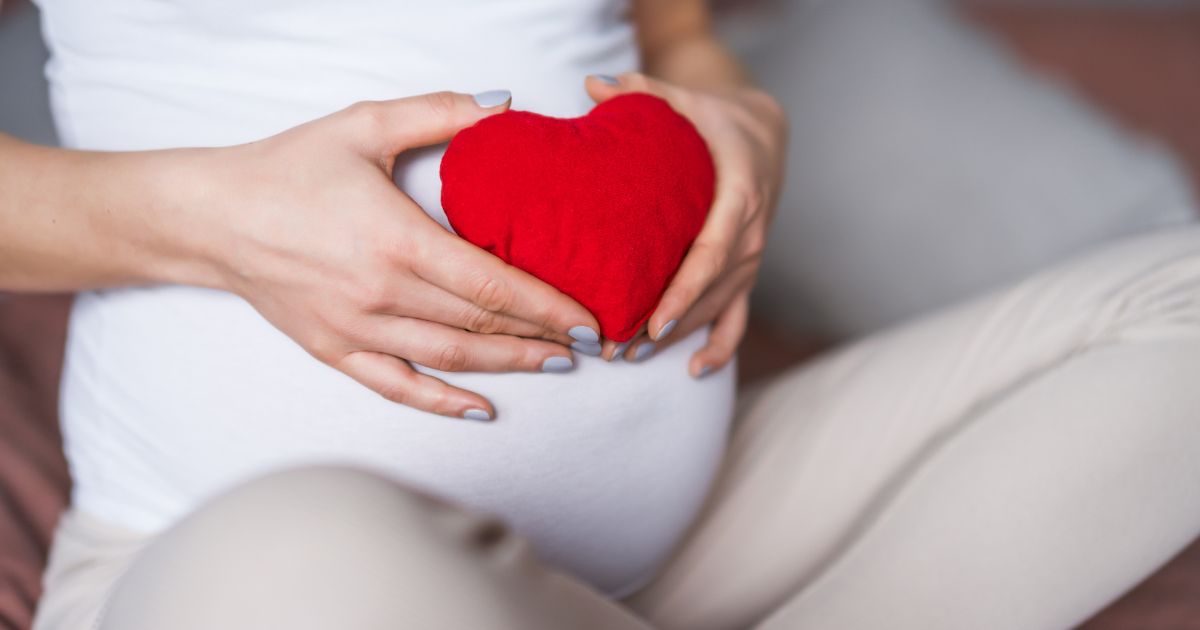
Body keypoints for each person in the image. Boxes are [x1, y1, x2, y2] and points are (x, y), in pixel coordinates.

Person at [0, 1, 1197, 629]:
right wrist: (203, 218)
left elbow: (678, 38)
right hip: (212, 547)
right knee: (299, 558)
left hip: (703, 528)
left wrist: (744, 125)